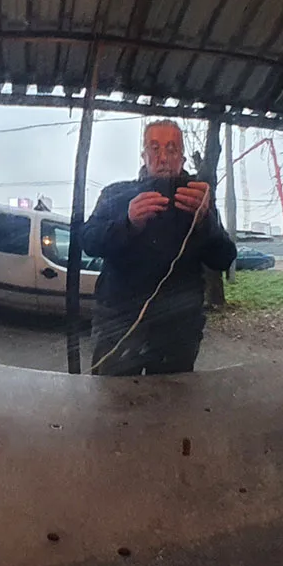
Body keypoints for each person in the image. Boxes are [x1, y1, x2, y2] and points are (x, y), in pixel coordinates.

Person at [82, 120, 236, 375]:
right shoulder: (117, 194)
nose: (163, 157)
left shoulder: (197, 198)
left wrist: (204, 222)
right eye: (155, 148)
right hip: (119, 321)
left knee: (172, 395)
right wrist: (128, 223)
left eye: (172, 149)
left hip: (178, 326)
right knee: (111, 393)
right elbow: (88, 241)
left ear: (182, 159)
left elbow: (224, 258)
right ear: (144, 156)